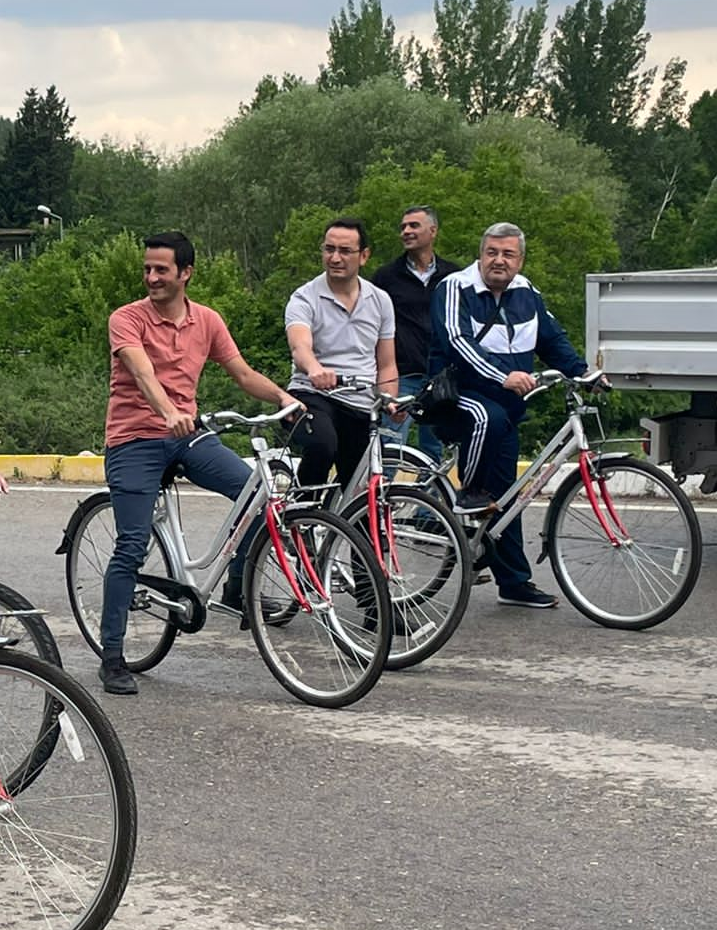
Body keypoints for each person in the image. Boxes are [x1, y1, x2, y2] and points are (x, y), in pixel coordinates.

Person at [98, 231, 300, 697]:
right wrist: (167, 410)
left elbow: (243, 373)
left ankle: (236, 586)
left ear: (185, 273)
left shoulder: (206, 320)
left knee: (256, 493)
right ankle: (112, 655)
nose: (151, 277)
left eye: (161, 270)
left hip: (188, 436)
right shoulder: (126, 319)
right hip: (134, 439)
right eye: (147, 269)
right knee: (130, 543)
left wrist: (285, 398)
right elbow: (141, 371)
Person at [431, 222, 594, 611]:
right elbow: (456, 342)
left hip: (507, 407)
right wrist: (502, 376)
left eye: (508, 254)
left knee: (509, 497)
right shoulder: (454, 288)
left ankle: (514, 582)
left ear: (520, 260)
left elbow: (552, 339)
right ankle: (466, 494)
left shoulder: (526, 293)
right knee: (489, 418)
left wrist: (583, 372)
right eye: (492, 252)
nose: (498, 261)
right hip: (457, 397)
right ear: (481, 254)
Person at [285, 217, 398, 493]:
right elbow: (300, 347)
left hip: (359, 402)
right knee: (324, 444)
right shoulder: (304, 297)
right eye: (329, 249)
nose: (335, 258)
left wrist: (391, 400)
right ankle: (299, 516)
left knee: (362, 490)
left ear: (364, 256)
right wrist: (314, 369)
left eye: (345, 251)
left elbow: (387, 363)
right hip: (313, 395)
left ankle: (353, 531)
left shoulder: (380, 300)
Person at [370, 205, 462, 464]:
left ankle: (427, 506)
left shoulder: (453, 276)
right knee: (389, 447)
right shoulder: (386, 277)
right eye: (403, 227)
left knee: (433, 453)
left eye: (413, 226)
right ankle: (380, 504)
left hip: (440, 378)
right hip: (401, 376)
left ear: (432, 231)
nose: (406, 232)